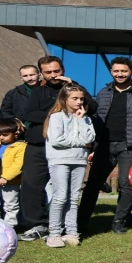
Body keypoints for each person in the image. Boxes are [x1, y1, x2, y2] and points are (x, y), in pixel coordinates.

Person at [78, 56, 132, 236]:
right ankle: (81, 222)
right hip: (104, 145)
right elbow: (96, 118)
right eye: (116, 71)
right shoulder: (104, 92)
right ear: (111, 72)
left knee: (127, 185)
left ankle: (119, 221)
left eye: (124, 71)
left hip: (130, 146)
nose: (120, 74)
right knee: (93, 184)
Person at [14, 56, 76, 240]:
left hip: (65, 146)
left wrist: (72, 87)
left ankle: (65, 224)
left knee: (65, 187)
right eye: (48, 72)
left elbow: (91, 106)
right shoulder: (37, 92)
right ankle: (37, 224)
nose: (53, 75)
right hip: (38, 143)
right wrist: (60, 113)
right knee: (31, 184)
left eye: (56, 71)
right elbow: (29, 114)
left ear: (63, 70)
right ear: (42, 73)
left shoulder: (74, 89)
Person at [42, 84, 96, 248]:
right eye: (75, 98)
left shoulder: (85, 118)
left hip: (79, 161)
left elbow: (90, 138)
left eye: (81, 99)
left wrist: (81, 121)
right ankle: (54, 233)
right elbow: (57, 140)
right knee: (59, 197)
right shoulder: (56, 117)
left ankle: (71, 231)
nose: (79, 101)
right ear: (64, 99)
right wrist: (81, 143)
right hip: (59, 160)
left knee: (73, 198)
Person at [0, 118, 25, 226]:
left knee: (10, 205)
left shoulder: (20, 147)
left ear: (15, 134)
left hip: (10, 182)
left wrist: (6, 177)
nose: (1, 137)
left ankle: (9, 226)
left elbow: (18, 165)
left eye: (5, 135)